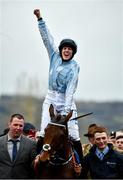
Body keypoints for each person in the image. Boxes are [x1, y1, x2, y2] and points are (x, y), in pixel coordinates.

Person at [33, 9, 83, 168]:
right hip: (51, 97)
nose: (66, 51)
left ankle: (79, 166)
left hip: (66, 100)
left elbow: (70, 91)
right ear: (61, 49)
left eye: (70, 49)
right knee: (43, 133)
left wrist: (65, 114)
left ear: (72, 53)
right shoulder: (54, 56)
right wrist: (40, 19)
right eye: (65, 48)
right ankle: (36, 164)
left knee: (74, 135)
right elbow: (47, 39)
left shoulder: (74, 67)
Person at [0, 113, 37, 179]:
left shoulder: (31, 144)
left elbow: (34, 167)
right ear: (9, 124)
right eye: (15, 125)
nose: (18, 128)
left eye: (21, 126)